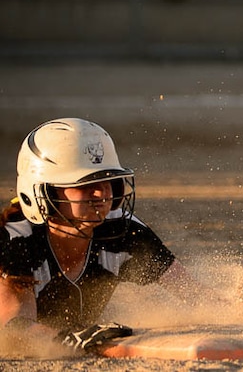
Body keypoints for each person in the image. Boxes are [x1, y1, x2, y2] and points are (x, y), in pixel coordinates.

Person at [0, 118, 221, 354]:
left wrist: (240, 307)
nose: (102, 193)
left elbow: (198, 296)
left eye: (108, 181)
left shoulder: (124, 232)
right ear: (44, 192)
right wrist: (67, 339)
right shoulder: (15, 237)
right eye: (84, 183)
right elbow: (14, 326)